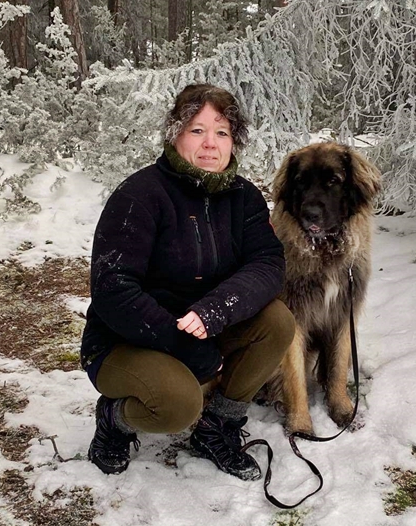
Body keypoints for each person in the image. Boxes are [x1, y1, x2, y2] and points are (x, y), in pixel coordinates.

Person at [80, 83, 295, 481]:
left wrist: (215, 311)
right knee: (178, 405)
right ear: (175, 133)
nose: (210, 144)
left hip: (203, 329)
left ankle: (216, 428)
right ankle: (114, 418)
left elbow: (267, 264)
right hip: (124, 342)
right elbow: (113, 290)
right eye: (197, 130)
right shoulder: (140, 195)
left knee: (277, 322)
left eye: (222, 132)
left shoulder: (244, 197)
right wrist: (186, 346)